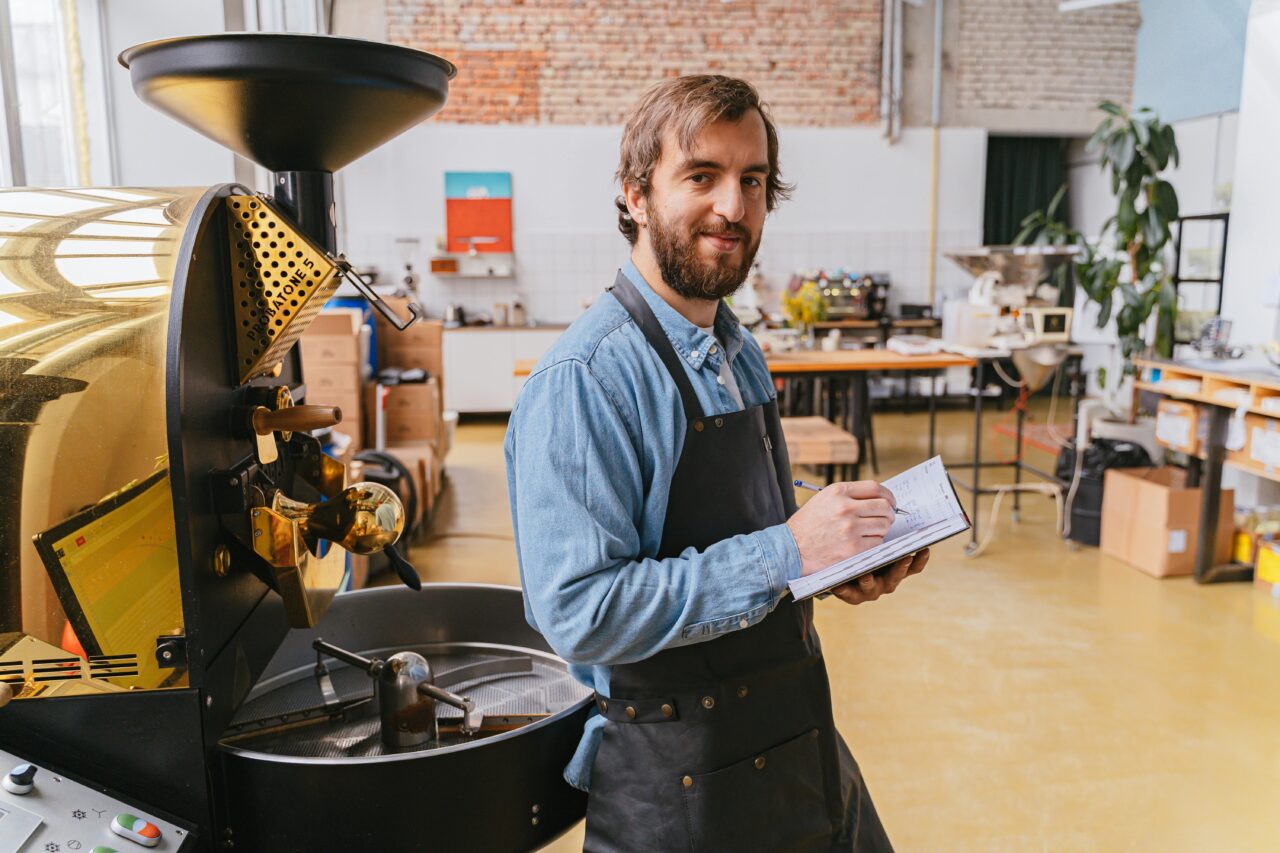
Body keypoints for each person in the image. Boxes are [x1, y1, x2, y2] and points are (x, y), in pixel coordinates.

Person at [504, 74, 928, 852]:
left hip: (799, 744)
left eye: (753, 180)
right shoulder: (587, 379)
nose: (734, 207)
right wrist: (790, 549)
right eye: (701, 176)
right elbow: (580, 611)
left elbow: (736, 517)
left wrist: (836, 551)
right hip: (682, 788)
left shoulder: (738, 347)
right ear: (636, 195)